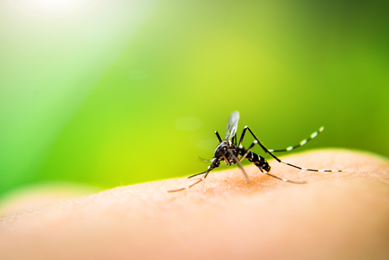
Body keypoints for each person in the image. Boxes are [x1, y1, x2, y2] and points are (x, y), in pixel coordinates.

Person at [1, 150, 389, 259]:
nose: (219, 165)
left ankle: (282, 165)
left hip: (268, 161)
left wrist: (271, 169)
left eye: (217, 163)